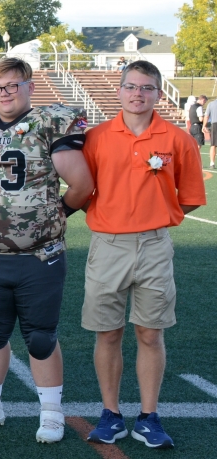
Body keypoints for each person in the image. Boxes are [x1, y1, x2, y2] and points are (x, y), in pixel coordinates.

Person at [0, 57, 93, 443]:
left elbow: (81, 184)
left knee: (41, 335)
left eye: (13, 85)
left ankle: (50, 412)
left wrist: (54, 215)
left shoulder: (49, 123)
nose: (5, 93)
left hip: (39, 255)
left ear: (29, 86)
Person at [81, 60, 206, 449]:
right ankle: (111, 414)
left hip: (155, 245)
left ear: (158, 93)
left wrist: (154, 219)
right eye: (131, 87)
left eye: (147, 88)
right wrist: (114, 218)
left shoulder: (177, 139)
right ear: (119, 91)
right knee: (108, 332)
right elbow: (83, 192)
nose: (138, 94)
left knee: (150, 333)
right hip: (108, 246)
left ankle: (149, 417)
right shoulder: (97, 137)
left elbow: (189, 199)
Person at [204, 96, 217, 168]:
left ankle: (212, 163)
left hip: (214, 124)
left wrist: (204, 126)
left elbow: (206, 116)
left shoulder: (211, 104)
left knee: (213, 144)